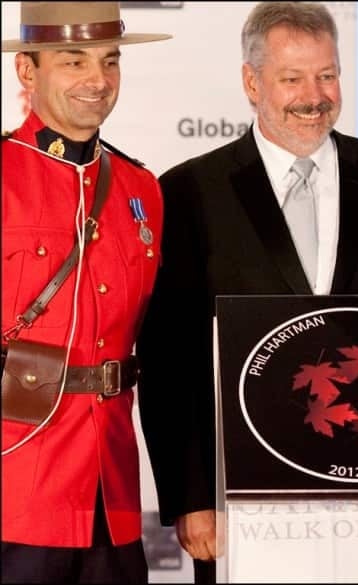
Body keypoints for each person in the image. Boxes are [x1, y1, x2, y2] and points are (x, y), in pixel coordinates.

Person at [135, 2, 358, 582]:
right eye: (292, 78)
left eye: (327, 75)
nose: (314, 94)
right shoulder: (190, 191)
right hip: (243, 502)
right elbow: (171, 359)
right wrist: (192, 497)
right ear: (252, 82)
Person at [1, 2, 171, 584]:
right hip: (16, 490)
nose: (97, 80)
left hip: (113, 493)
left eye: (109, 60)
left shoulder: (141, 189)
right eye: (73, 61)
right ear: (28, 71)